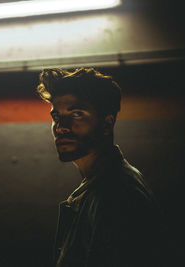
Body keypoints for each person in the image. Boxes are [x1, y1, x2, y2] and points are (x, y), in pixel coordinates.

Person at [36, 68, 169, 267]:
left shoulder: (117, 194)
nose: (60, 127)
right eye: (56, 116)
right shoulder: (101, 185)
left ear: (107, 124)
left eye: (76, 114)